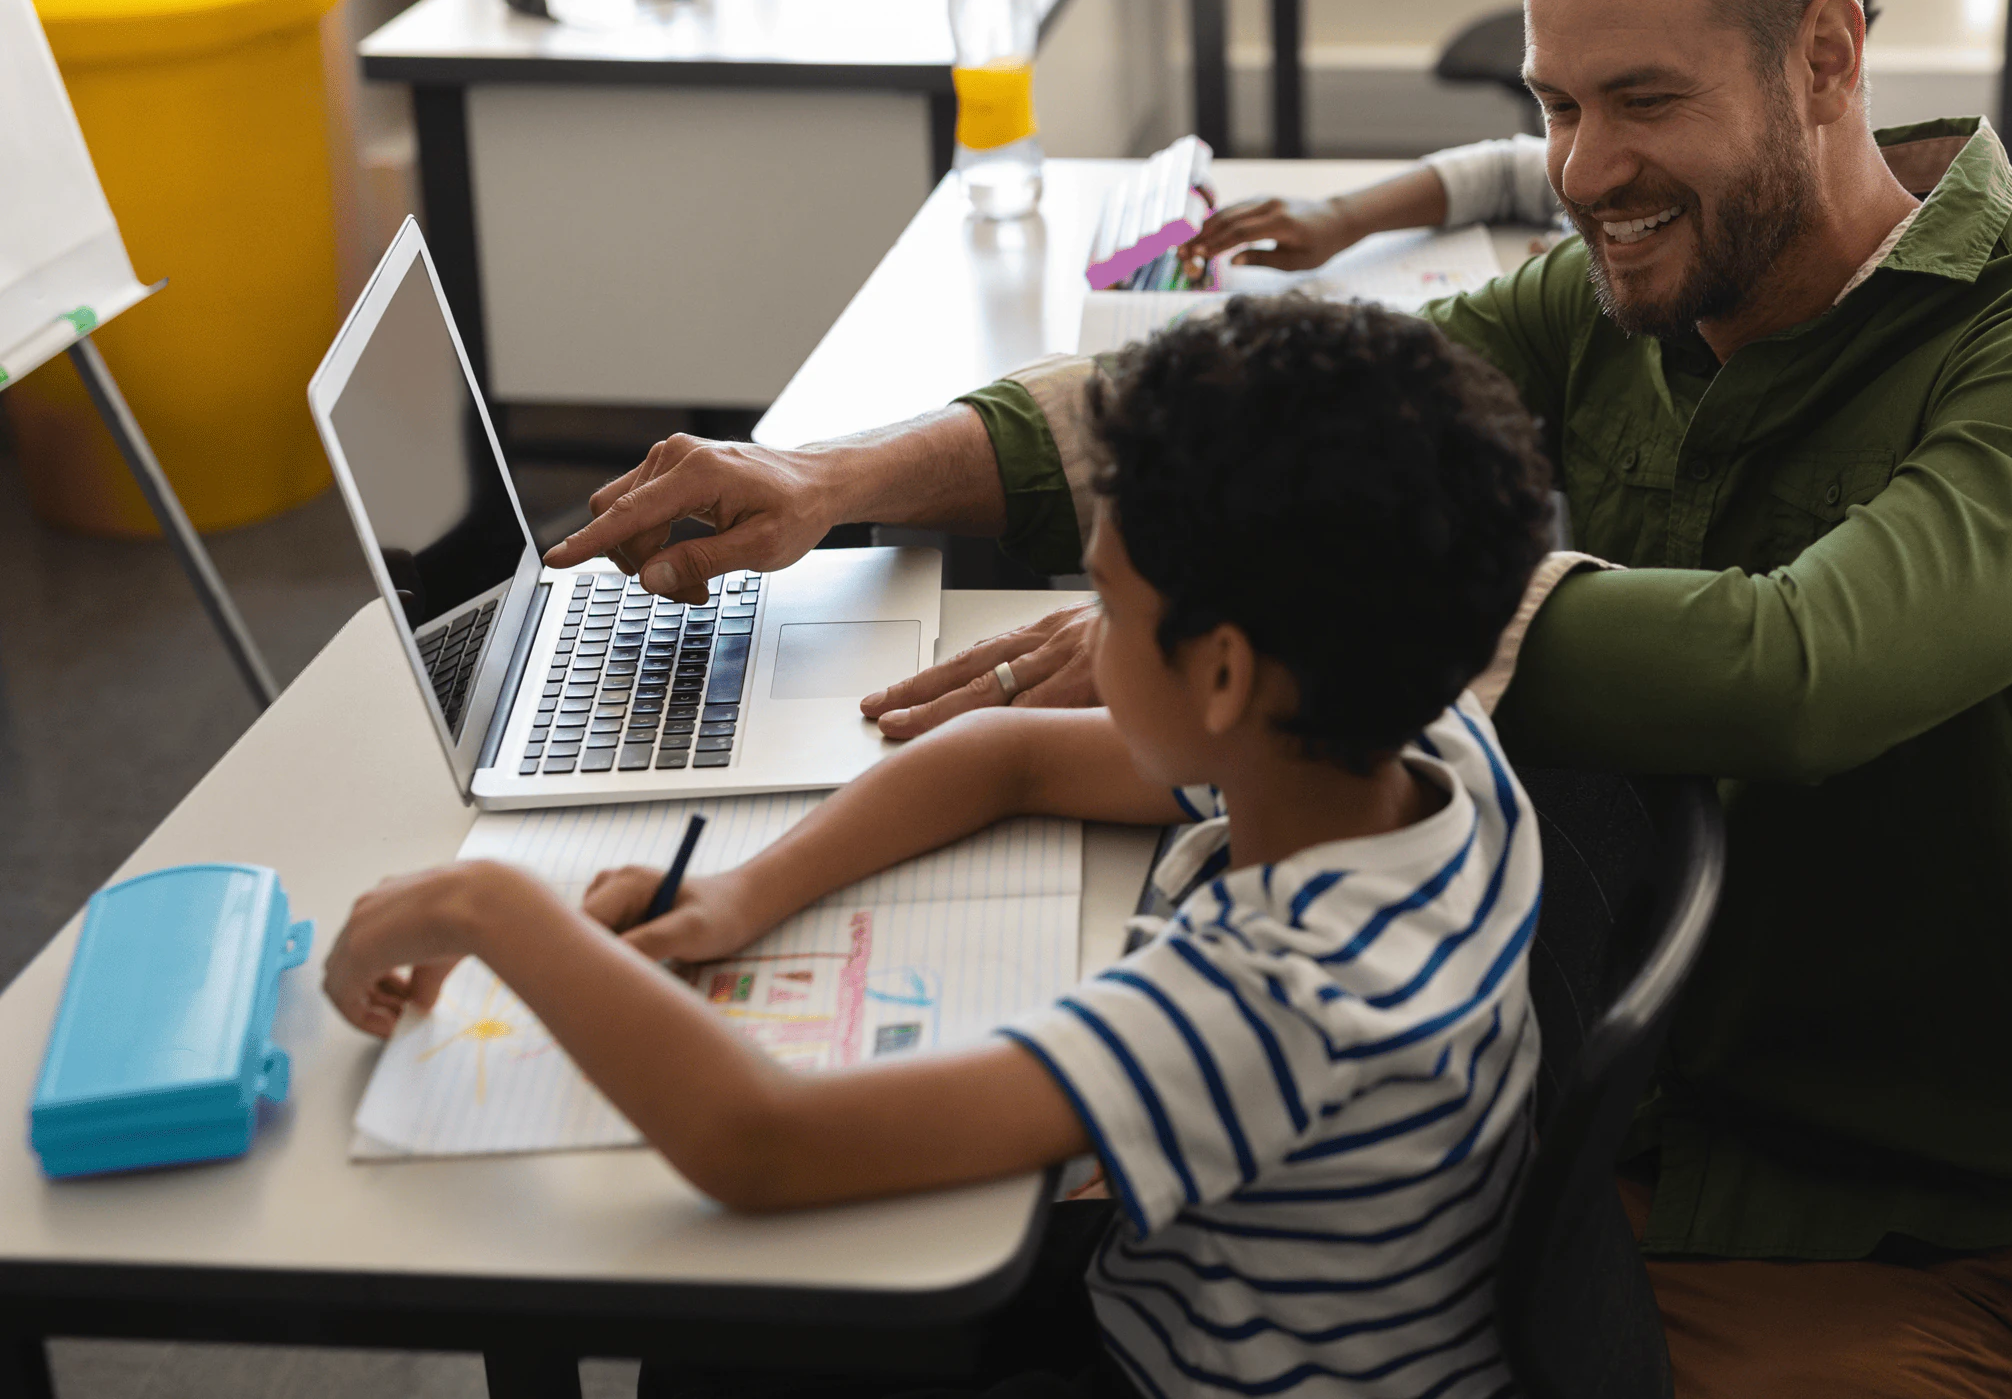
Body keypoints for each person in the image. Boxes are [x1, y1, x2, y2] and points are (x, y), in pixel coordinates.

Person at [549, 0, 2012, 1396]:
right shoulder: (1612, 298)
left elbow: (1796, 673)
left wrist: (1330, 591)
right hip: (1595, 1110)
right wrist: (836, 479)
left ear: (1829, 56)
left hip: (1922, 1223)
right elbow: (1262, 397)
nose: (1578, 172)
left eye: (1642, 103)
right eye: (1558, 108)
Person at [325, 297, 1555, 1399]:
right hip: (1254, 1298)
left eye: (1108, 610)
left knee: (730, 1340)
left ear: (1224, 673)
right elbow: (1007, 758)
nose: (1074, 641)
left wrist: (494, 907)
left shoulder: (1272, 1002)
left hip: (1177, 1366)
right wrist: (740, 898)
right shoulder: (1413, 740)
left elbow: (762, 1145)